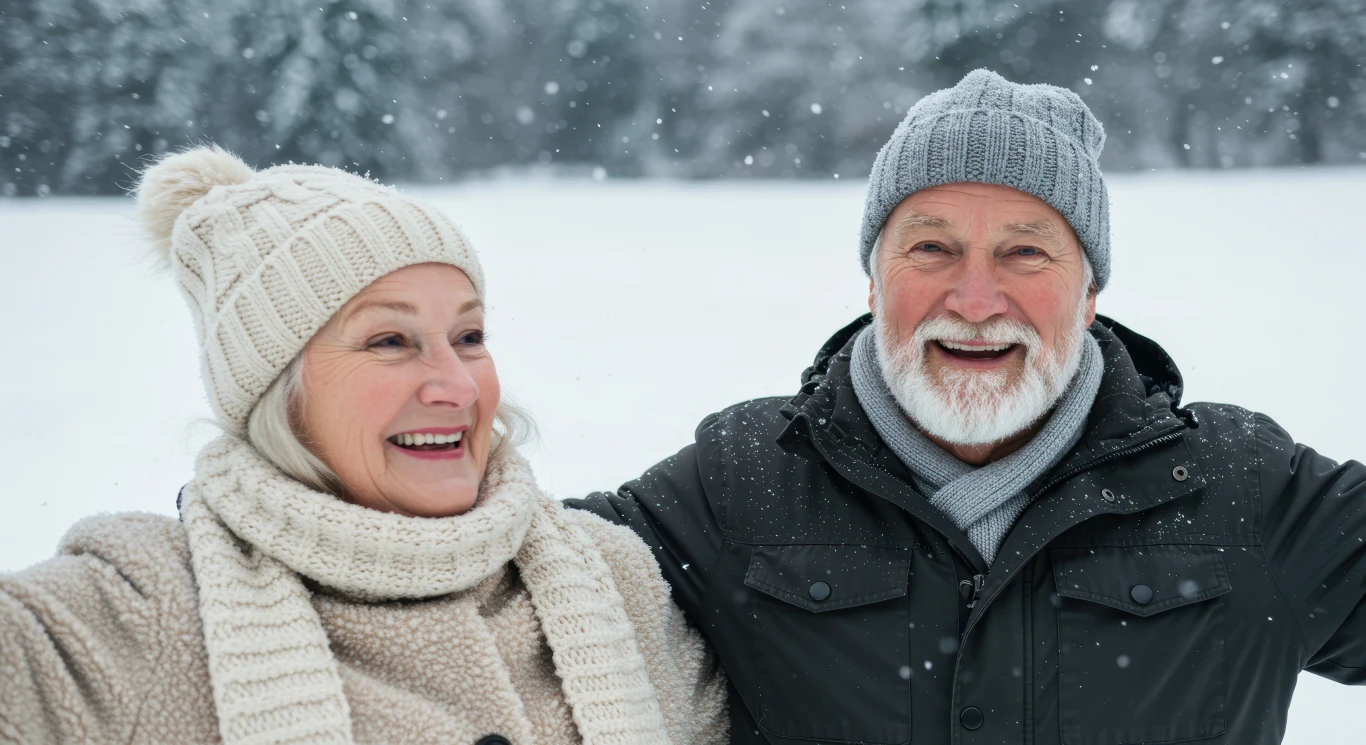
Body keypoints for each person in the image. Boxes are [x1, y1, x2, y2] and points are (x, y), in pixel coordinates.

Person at [567, 69, 1366, 744]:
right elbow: (504, 585)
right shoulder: (739, 486)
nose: (977, 299)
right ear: (874, 282)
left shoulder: (1243, 491)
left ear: (1089, 292)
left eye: (1025, 251)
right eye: (931, 248)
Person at [0, 147, 727, 745]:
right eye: (390, 340)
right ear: (275, 389)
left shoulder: (611, 580)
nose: (458, 385)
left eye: (469, 337)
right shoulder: (139, 608)